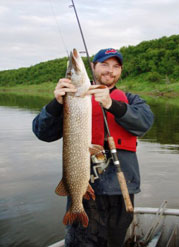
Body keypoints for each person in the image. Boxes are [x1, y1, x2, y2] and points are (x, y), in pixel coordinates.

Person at [32, 48, 154, 247]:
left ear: (121, 71)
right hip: (85, 189)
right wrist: (56, 104)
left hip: (121, 191)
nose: (110, 71)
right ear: (93, 67)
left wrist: (111, 104)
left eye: (116, 66)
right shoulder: (73, 100)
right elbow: (41, 132)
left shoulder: (132, 101)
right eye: (104, 64)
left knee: (115, 241)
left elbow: (144, 122)